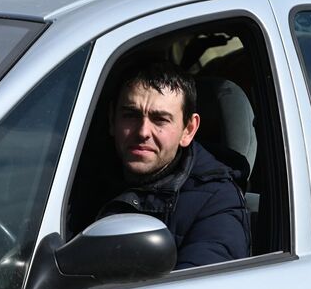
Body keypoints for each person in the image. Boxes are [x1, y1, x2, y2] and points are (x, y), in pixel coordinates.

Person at [98, 61, 250, 269]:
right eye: (131, 115)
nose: (143, 132)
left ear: (188, 130)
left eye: (160, 119)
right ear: (111, 120)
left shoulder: (217, 203)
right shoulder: (74, 175)